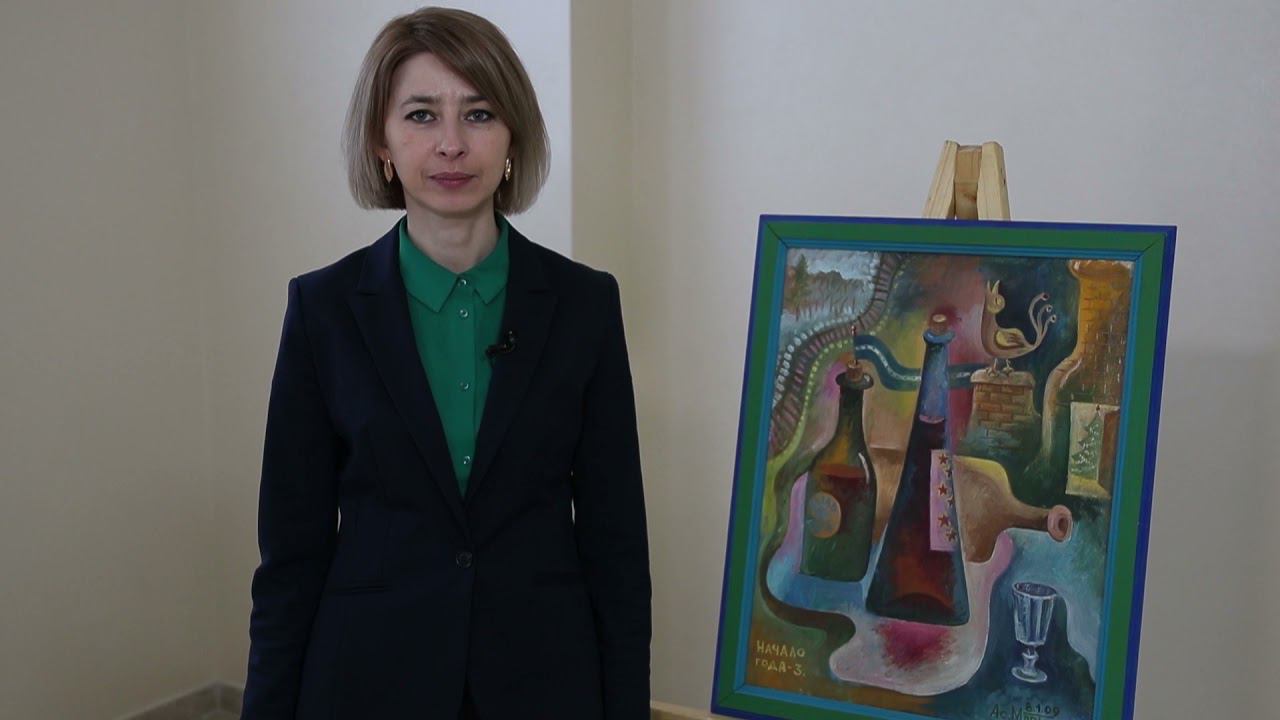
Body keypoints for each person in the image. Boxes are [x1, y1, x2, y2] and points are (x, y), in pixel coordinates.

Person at [241, 7, 651, 719]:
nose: (452, 144)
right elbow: (291, 557)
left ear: (513, 135)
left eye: (479, 114)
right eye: (422, 115)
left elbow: (616, 548)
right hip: (367, 682)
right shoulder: (322, 309)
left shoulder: (585, 304)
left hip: (543, 681)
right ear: (382, 142)